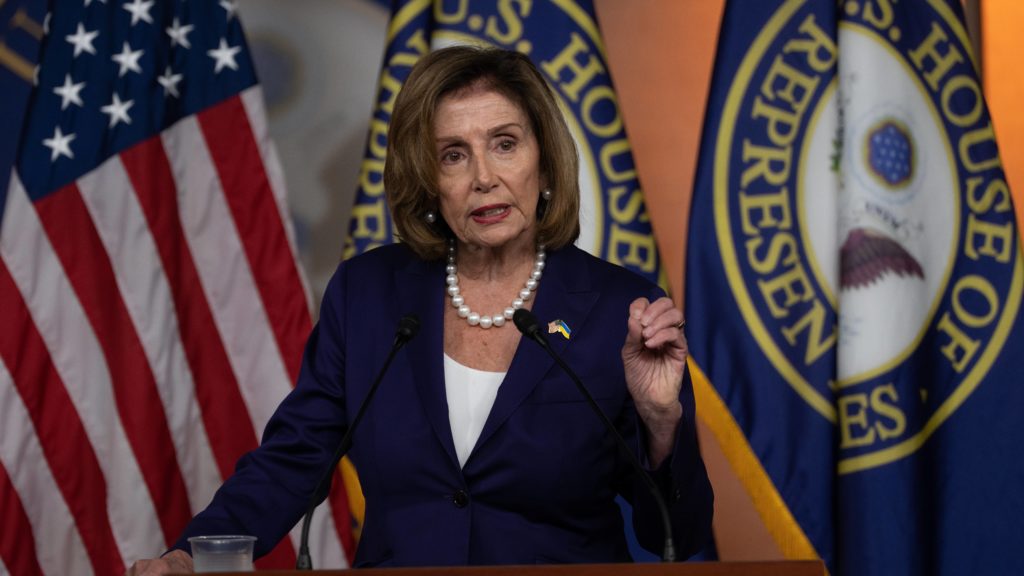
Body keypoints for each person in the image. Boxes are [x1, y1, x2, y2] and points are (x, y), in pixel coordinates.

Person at [127, 45, 713, 574]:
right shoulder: (369, 294)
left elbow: (677, 536)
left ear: (545, 160)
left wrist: (662, 423)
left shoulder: (619, 307)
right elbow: (295, 457)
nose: (484, 178)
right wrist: (189, 555)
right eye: (453, 155)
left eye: (504, 144)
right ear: (429, 179)